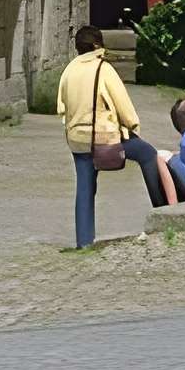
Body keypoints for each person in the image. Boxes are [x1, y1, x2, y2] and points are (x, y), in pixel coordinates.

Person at [57, 24, 172, 248]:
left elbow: (61, 106)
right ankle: (162, 212)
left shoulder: (69, 70)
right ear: (98, 45)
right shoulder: (103, 69)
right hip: (104, 137)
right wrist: (133, 126)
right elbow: (122, 104)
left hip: (77, 138)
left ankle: (84, 242)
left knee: (84, 187)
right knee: (147, 154)